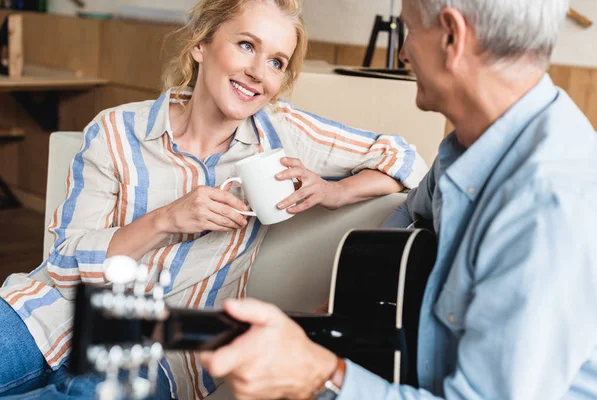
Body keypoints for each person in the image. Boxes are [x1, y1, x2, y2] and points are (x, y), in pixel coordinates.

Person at [0, 0, 427, 399]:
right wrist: (167, 219)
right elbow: (63, 265)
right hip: (49, 314)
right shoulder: (116, 131)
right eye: (246, 45)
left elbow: (404, 157)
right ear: (201, 44)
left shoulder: (281, 132)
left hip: (163, 351)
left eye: (276, 62)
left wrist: (335, 191)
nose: (259, 73)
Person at [198, 0, 597, 399]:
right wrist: (349, 301)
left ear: (450, 36)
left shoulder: (549, 206)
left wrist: (319, 373)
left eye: (410, 29)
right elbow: (411, 210)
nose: (404, 51)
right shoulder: (467, 147)